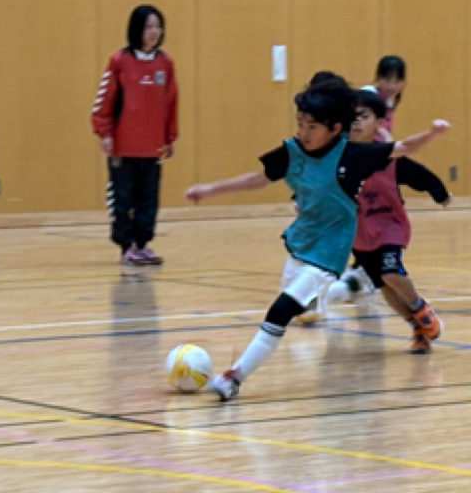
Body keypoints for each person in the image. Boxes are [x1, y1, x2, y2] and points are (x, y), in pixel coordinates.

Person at [185, 74, 449, 400]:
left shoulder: (352, 156)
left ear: (335, 128)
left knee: (280, 311)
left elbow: (402, 148)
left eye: (312, 127)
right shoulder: (292, 151)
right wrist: (211, 189)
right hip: (301, 243)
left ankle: (234, 377)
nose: (303, 132)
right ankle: (344, 290)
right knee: (293, 310)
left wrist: (433, 133)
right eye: (300, 124)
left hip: (330, 251)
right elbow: (258, 179)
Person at [326, 89, 451, 353]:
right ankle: (417, 327)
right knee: (384, 287)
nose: (356, 122)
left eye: (363, 116)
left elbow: (418, 174)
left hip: (389, 227)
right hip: (359, 235)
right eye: (352, 117)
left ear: (379, 122)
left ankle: (420, 306)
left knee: (391, 272)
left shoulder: (388, 158)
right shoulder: (339, 158)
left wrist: (439, 192)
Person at [91, 4, 178, 266]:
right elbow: (104, 101)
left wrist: (169, 137)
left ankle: (143, 244)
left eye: (157, 26)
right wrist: (104, 133)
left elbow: (171, 102)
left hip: (151, 147)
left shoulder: (165, 63)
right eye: (149, 27)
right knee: (122, 198)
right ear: (137, 29)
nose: (154, 32)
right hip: (123, 147)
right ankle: (126, 246)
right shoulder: (119, 61)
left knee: (148, 199)